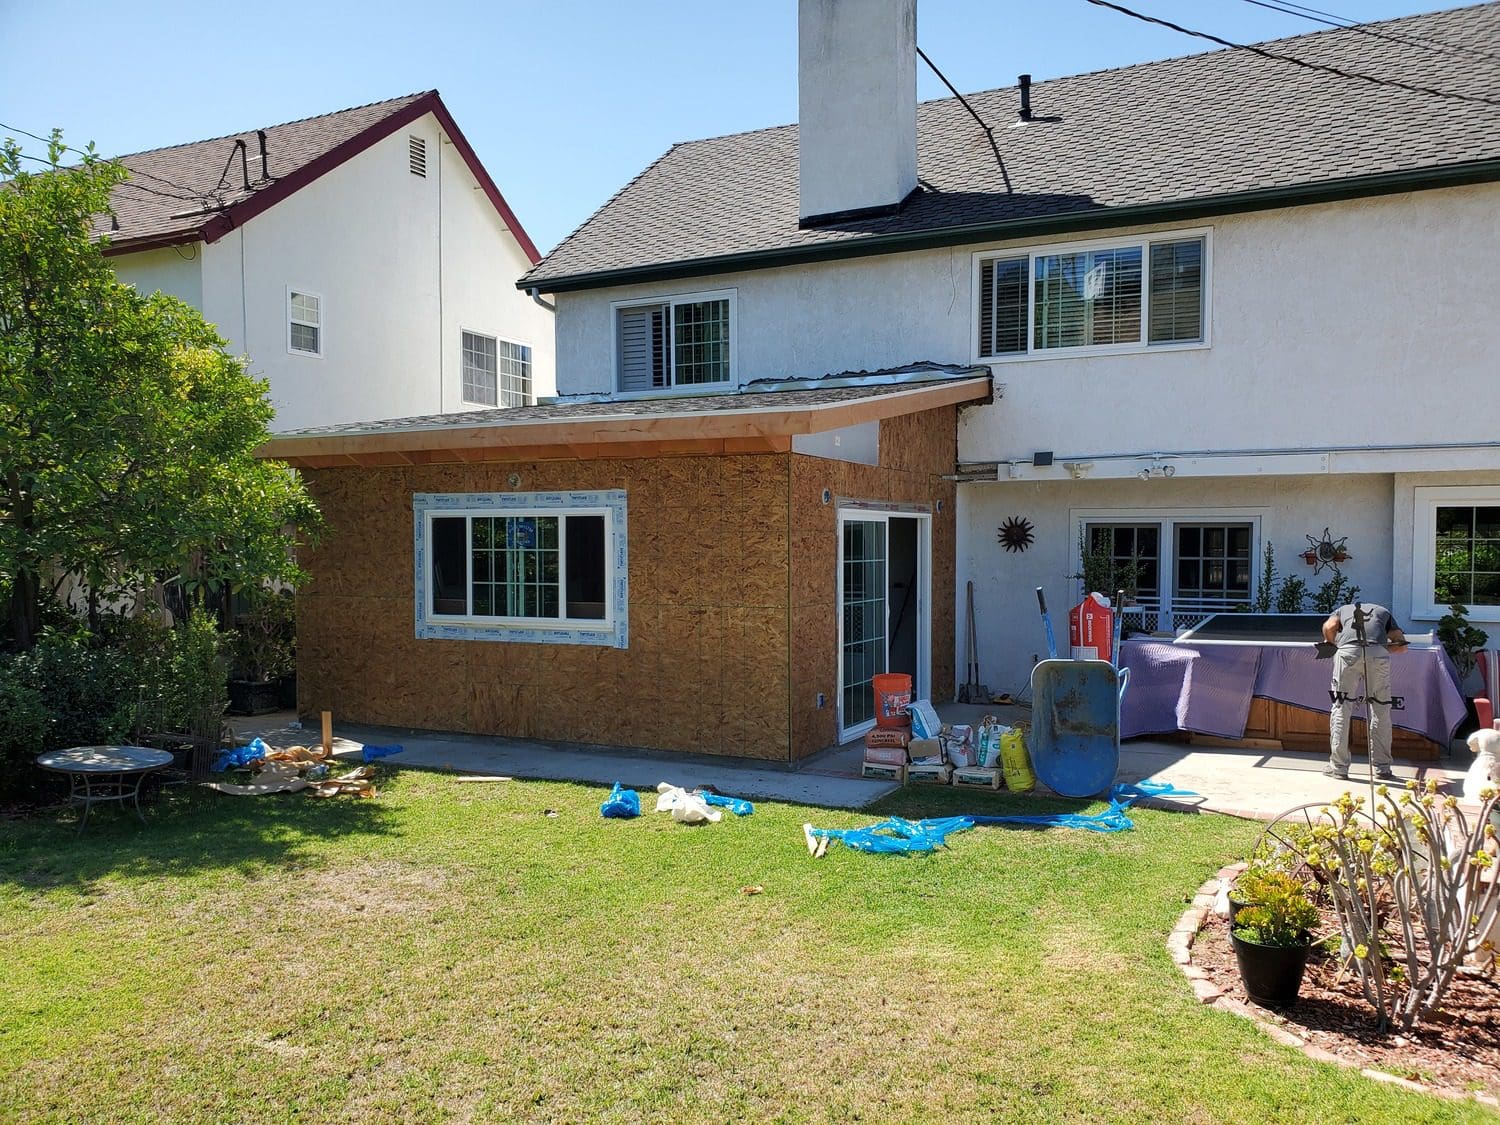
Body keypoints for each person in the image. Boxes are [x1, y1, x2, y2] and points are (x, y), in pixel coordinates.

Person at [1322, 602, 1408, 781]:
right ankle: (1382, 768)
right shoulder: (1384, 613)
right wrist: (1382, 648)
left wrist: (1331, 643)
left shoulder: (1341, 610)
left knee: (1341, 707)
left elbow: (1329, 626)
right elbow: (1401, 645)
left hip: (1347, 653)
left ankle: (1338, 767)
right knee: (1381, 708)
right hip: (1377, 654)